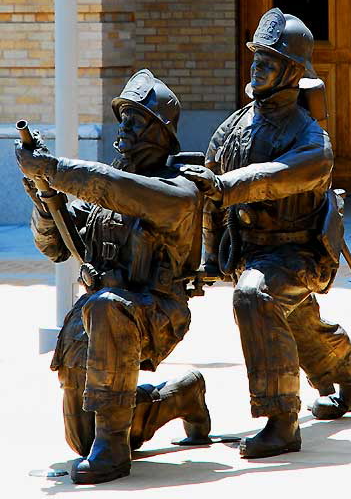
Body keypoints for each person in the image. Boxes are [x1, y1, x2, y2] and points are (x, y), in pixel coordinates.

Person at [180, 8, 351, 459]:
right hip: (248, 249)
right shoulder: (231, 128)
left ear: (291, 71)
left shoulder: (310, 138)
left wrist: (226, 186)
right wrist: (208, 259)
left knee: (255, 297)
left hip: (298, 252)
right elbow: (209, 196)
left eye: (267, 61)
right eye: (255, 59)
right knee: (297, 319)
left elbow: (278, 176)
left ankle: (281, 419)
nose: (256, 68)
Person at [15, 69, 211, 484]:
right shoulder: (106, 198)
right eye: (122, 117)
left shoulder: (177, 190)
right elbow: (54, 246)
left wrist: (55, 168)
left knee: (106, 309)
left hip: (157, 311)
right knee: (82, 439)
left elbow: (115, 188)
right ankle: (180, 396)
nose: (124, 128)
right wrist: (44, 199)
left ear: (162, 134)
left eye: (136, 120)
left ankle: (114, 448)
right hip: (100, 317)